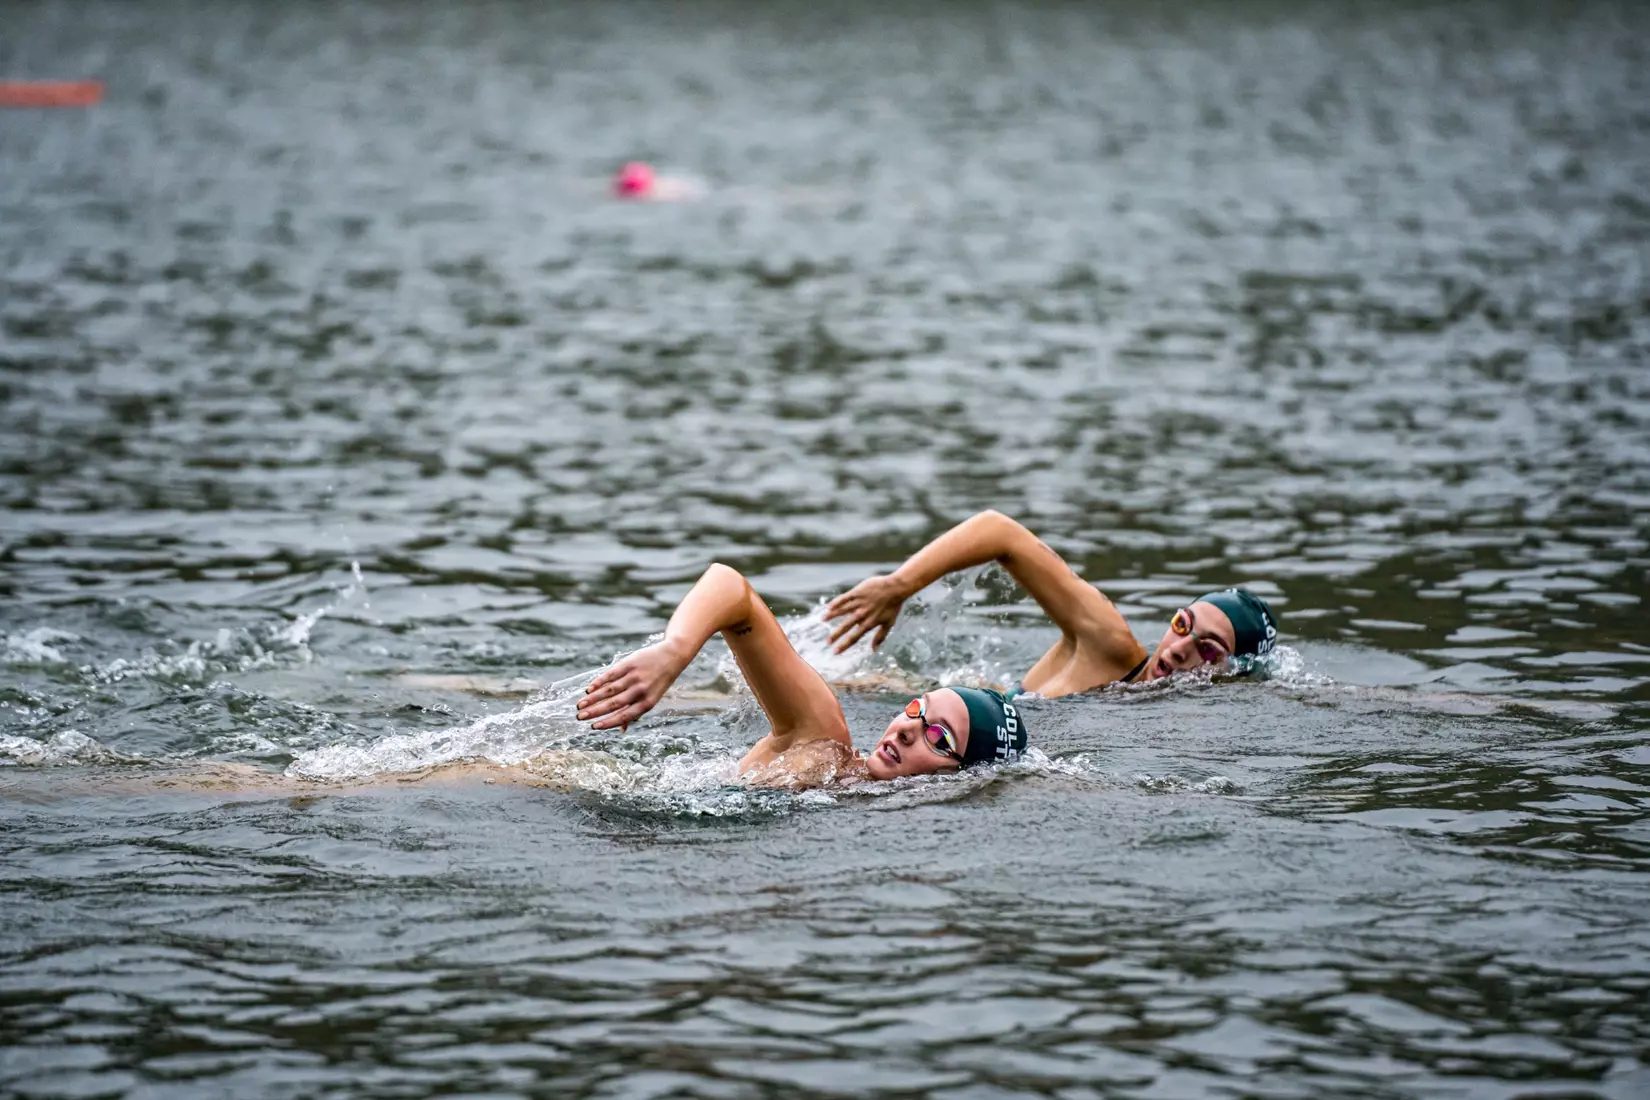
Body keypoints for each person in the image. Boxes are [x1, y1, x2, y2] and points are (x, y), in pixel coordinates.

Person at [576, 563, 1027, 787]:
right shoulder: (824, 739)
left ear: (967, 776)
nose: (909, 730)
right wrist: (675, 650)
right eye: (916, 709)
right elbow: (731, 589)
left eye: (939, 738)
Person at [823, 510, 1279, 696]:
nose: (1181, 647)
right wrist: (899, 585)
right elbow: (999, 531)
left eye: (1209, 650)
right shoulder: (1109, 644)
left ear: (1234, 672)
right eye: (1183, 624)